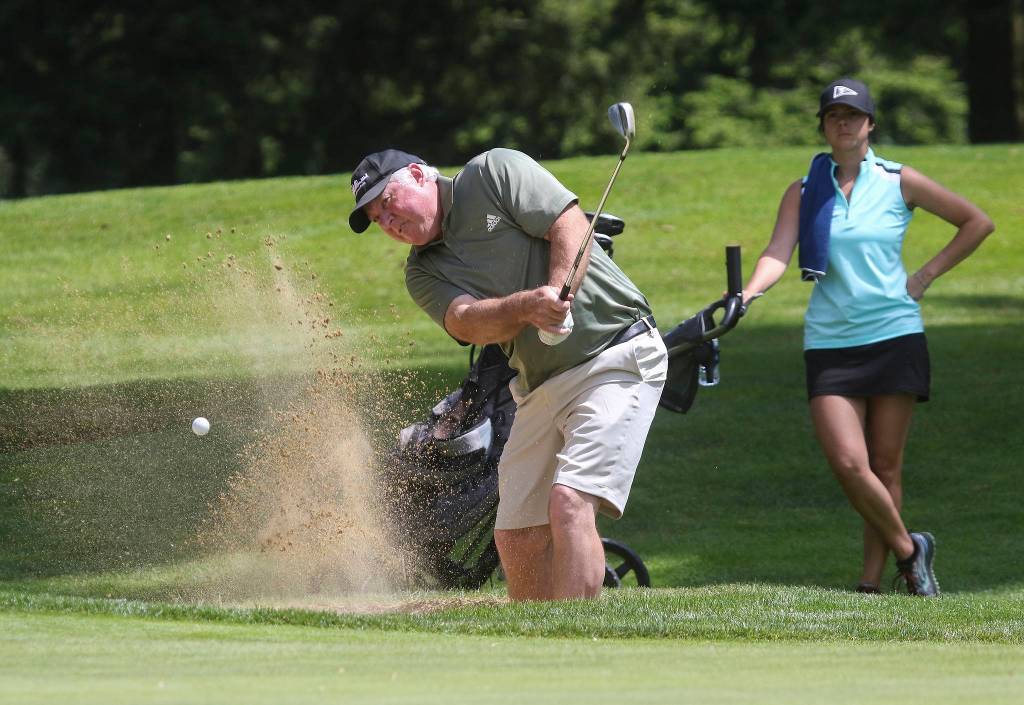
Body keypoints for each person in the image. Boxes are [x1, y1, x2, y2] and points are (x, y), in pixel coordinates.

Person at [347, 147, 668, 601]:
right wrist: (528, 308)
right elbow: (465, 321)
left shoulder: (492, 173)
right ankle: (536, 649)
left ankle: (577, 644)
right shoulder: (423, 272)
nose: (387, 221)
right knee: (516, 534)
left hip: (615, 354)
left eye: (387, 201)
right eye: (376, 218)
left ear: (419, 175)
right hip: (539, 387)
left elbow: (570, 225)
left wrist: (559, 293)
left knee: (571, 502)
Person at [742, 78, 994, 596]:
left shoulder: (899, 181)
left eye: (853, 114)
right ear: (824, 125)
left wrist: (923, 277)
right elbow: (777, 252)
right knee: (849, 463)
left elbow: (976, 222)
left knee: (885, 465)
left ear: (870, 124)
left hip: (894, 334)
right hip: (830, 342)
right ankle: (911, 549)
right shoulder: (806, 189)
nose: (844, 122)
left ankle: (871, 583)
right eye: (834, 115)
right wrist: (747, 295)